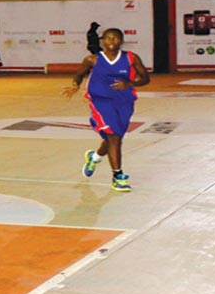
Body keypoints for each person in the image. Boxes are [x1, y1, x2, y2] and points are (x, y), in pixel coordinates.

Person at [63, 27, 151, 192]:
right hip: (100, 101)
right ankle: (118, 177)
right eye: (108, 38)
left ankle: (94, 157)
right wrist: (75, 85)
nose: (112, 41)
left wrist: (130, 83)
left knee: (114, 137)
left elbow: (146, 78)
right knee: (114, 136)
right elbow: (80, 74)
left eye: (116, 38)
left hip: (124, 101)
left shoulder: (131, 58)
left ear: (121, 41)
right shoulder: (93, 60)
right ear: (102, 41)